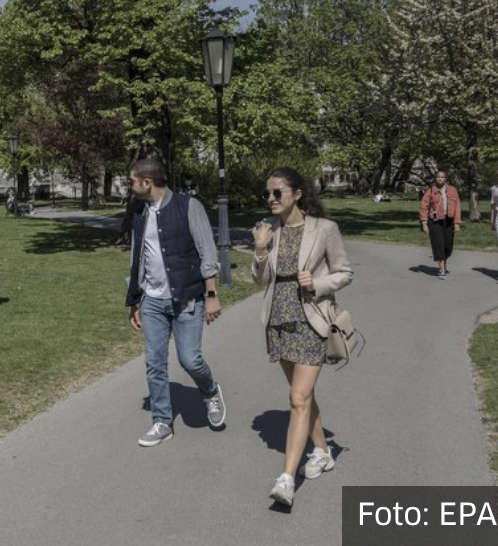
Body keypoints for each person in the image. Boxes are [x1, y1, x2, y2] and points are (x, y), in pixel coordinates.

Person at [250, 167, 353, 508]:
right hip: (278, 320)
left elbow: (344, 272)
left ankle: (286, 478)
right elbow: (261, 280)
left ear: (296, 194)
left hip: (311, 320)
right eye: (268, 193)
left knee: (297, 397)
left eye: (277, 192)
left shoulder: (325, 229)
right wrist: (260, 250)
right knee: (303, 397)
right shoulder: (269, 230)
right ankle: (322, 450)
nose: (271, 198)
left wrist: (317, 283)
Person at [125, 158, 226, 447]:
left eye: (132, 181)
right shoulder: (139, 212)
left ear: (147, 182)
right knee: (154, 363)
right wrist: (133, 301)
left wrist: (211, 295)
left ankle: (210, 391)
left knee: (190, 359)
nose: (130, 186)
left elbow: (207, 251)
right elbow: (136, 257)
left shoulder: (188, 206)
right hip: (152, 302)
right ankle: (162, 422)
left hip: (187, 298)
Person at [418, 169, 462, 279]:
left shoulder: (452, 190)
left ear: (445, 178)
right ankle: (442, 269)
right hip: (435, 222)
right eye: (438, 177)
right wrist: (424, 223)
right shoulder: (431, 190)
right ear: (435, 178)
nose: (440, 179)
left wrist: (457, 222)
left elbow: (457, 207)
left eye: (442, 177)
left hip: (449, 220)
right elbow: (423, 206)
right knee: (439, 245)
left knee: (448, 246)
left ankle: (444, 262)